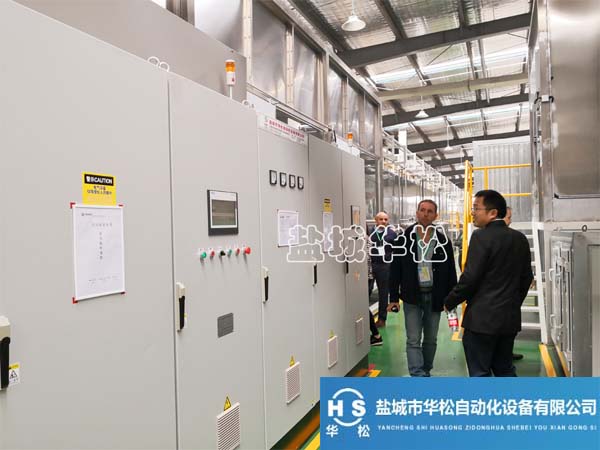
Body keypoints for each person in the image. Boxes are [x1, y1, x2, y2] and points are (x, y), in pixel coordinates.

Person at [444, 191, 533, 377]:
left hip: (481, 321)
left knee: (480, 373)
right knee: (505, 370)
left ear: (493, 213)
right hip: (508, 320)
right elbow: (526, 278)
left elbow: (470, 278)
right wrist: (512, 303)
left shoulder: (480, 236)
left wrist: (450, 301)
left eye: (476, 208)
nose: (472, 213)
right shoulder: (520, 238)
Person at [388, 200, 457, 377]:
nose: (426, 214)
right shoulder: (403, 239)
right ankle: (417, 375)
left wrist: (451, 299)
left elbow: (451, 271)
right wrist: (393, 298)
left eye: (430, 211)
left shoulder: (443, 241)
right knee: (413, 339)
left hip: (435, 296)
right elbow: (395, 270)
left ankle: (425, 370)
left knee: (431, 339)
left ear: (435, 215)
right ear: (417, 213)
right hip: (412, 295)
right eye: (423, 210)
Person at [503, 207, 524, 361]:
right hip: (503, 295)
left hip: (510, 294)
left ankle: (506, 354)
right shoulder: (482, 238)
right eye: (508, 217)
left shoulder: (516, 238)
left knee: (508, 329)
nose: (510, 221)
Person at [370, 212, 397, 328]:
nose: (383, 221)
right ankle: (367, 318)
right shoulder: (369, 233)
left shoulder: (392, 234)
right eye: (381, 219)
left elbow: (397, 250)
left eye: (385, 219)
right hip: (371, 265)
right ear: (376, 220)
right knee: (367, 291)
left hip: (385, 266)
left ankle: (382, 319)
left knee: (383, 293)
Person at [366, 234, 383, 346]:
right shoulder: (367, 238)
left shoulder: (362, 238)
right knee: (362, 307)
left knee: (362, 307)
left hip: (364, 278)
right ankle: (376, 335)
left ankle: (376, 335)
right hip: (366, 277)